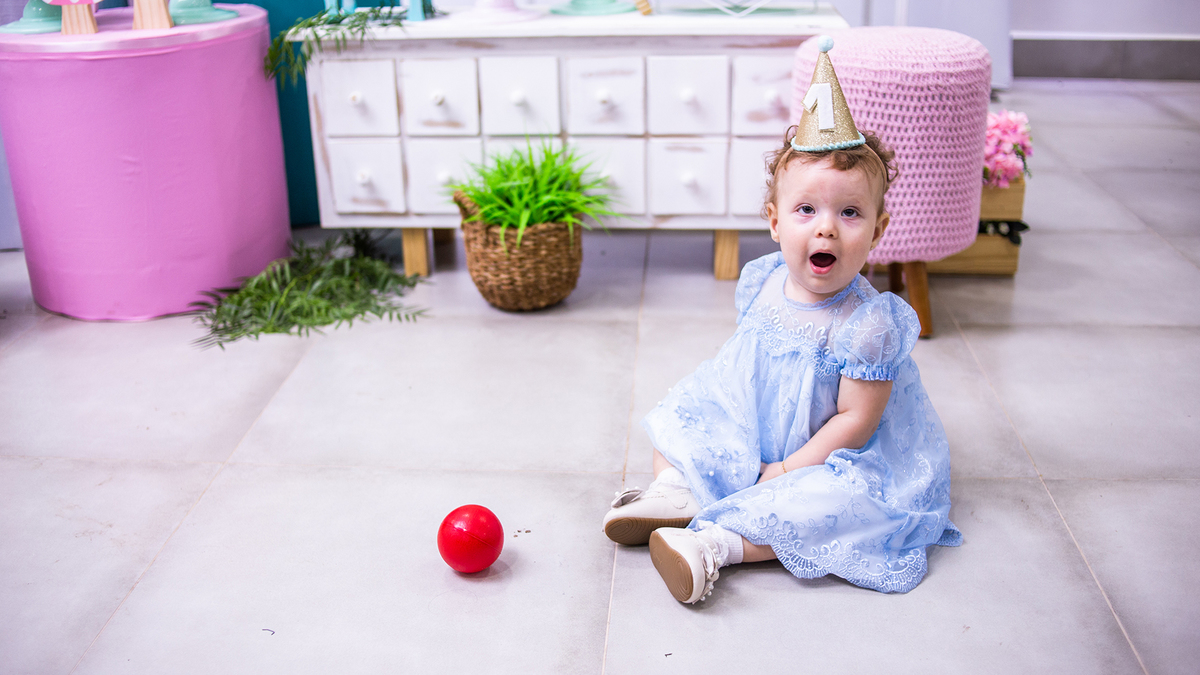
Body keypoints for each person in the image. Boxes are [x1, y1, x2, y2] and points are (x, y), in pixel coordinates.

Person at [601, 36, 961, 603]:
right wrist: (723, 419)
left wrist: (790, 467)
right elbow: (740, 369)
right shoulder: (765, 278)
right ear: (774, 222)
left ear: (878, 230)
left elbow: (855, 423)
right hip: (756, 424)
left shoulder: (869, 324)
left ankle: (715, 546)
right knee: (686, 412)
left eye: (849, 212)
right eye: (806, 209)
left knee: (840, 504)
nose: (826, 227)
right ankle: (675, 491)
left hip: (826, 453)